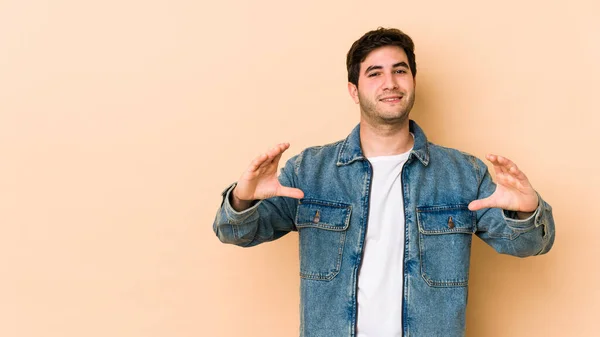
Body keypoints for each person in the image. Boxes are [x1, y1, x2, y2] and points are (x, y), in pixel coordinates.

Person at [212, 27, 555, 337]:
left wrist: (526, 212)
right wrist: (243, 201)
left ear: (413, 81)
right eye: (374, 73)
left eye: (400, 70)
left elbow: (527, 245)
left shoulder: (462, 173)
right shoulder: (309, 171)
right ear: (353, 89)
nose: (390, 83)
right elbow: (235, 232)